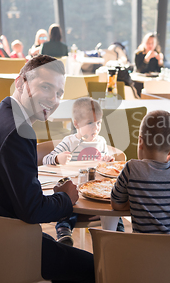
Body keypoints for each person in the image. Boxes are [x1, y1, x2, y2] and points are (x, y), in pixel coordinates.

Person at [0, 55, 95, 283]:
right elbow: (32, 211)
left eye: (59, 93)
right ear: (20, 82)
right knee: (96, 267)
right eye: (45, 87)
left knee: (55, 247)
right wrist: (65, 198)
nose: (53, 99)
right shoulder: (18, 131)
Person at [111, 110, 170, 234]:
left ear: (140, 142)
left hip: (144, 251)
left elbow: (116, 204)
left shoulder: (131, 168)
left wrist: (138, 202)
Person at [44, 97, 115, 246]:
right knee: (68, 207)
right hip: (74, 191)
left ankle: (116, 235)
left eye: (98, 123)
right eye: (90, 123)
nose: (95, 128)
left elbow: (102, 167)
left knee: (113, 211)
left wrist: (106, 161)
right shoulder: (69, 142)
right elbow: (46, 159)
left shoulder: (101, 142)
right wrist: (58, 158)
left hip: (95, 191)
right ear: (76, 124)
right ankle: (64, 232)